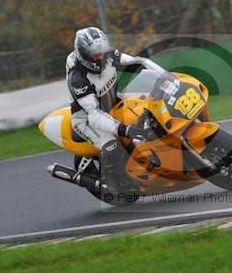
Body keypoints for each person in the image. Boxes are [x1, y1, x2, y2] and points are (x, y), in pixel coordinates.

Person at [66, 27, 164, 191]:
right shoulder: (78, 78)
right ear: (84, 55)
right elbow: (94, 115)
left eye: (102, 52)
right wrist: (125, 130)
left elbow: (138, 62)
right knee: (112, 145)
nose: (100, 57)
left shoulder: (107, 54)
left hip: (112, 101)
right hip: (87, 119)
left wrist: (166, 77)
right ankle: (111, 183)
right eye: (95, 55)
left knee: (149, 113)